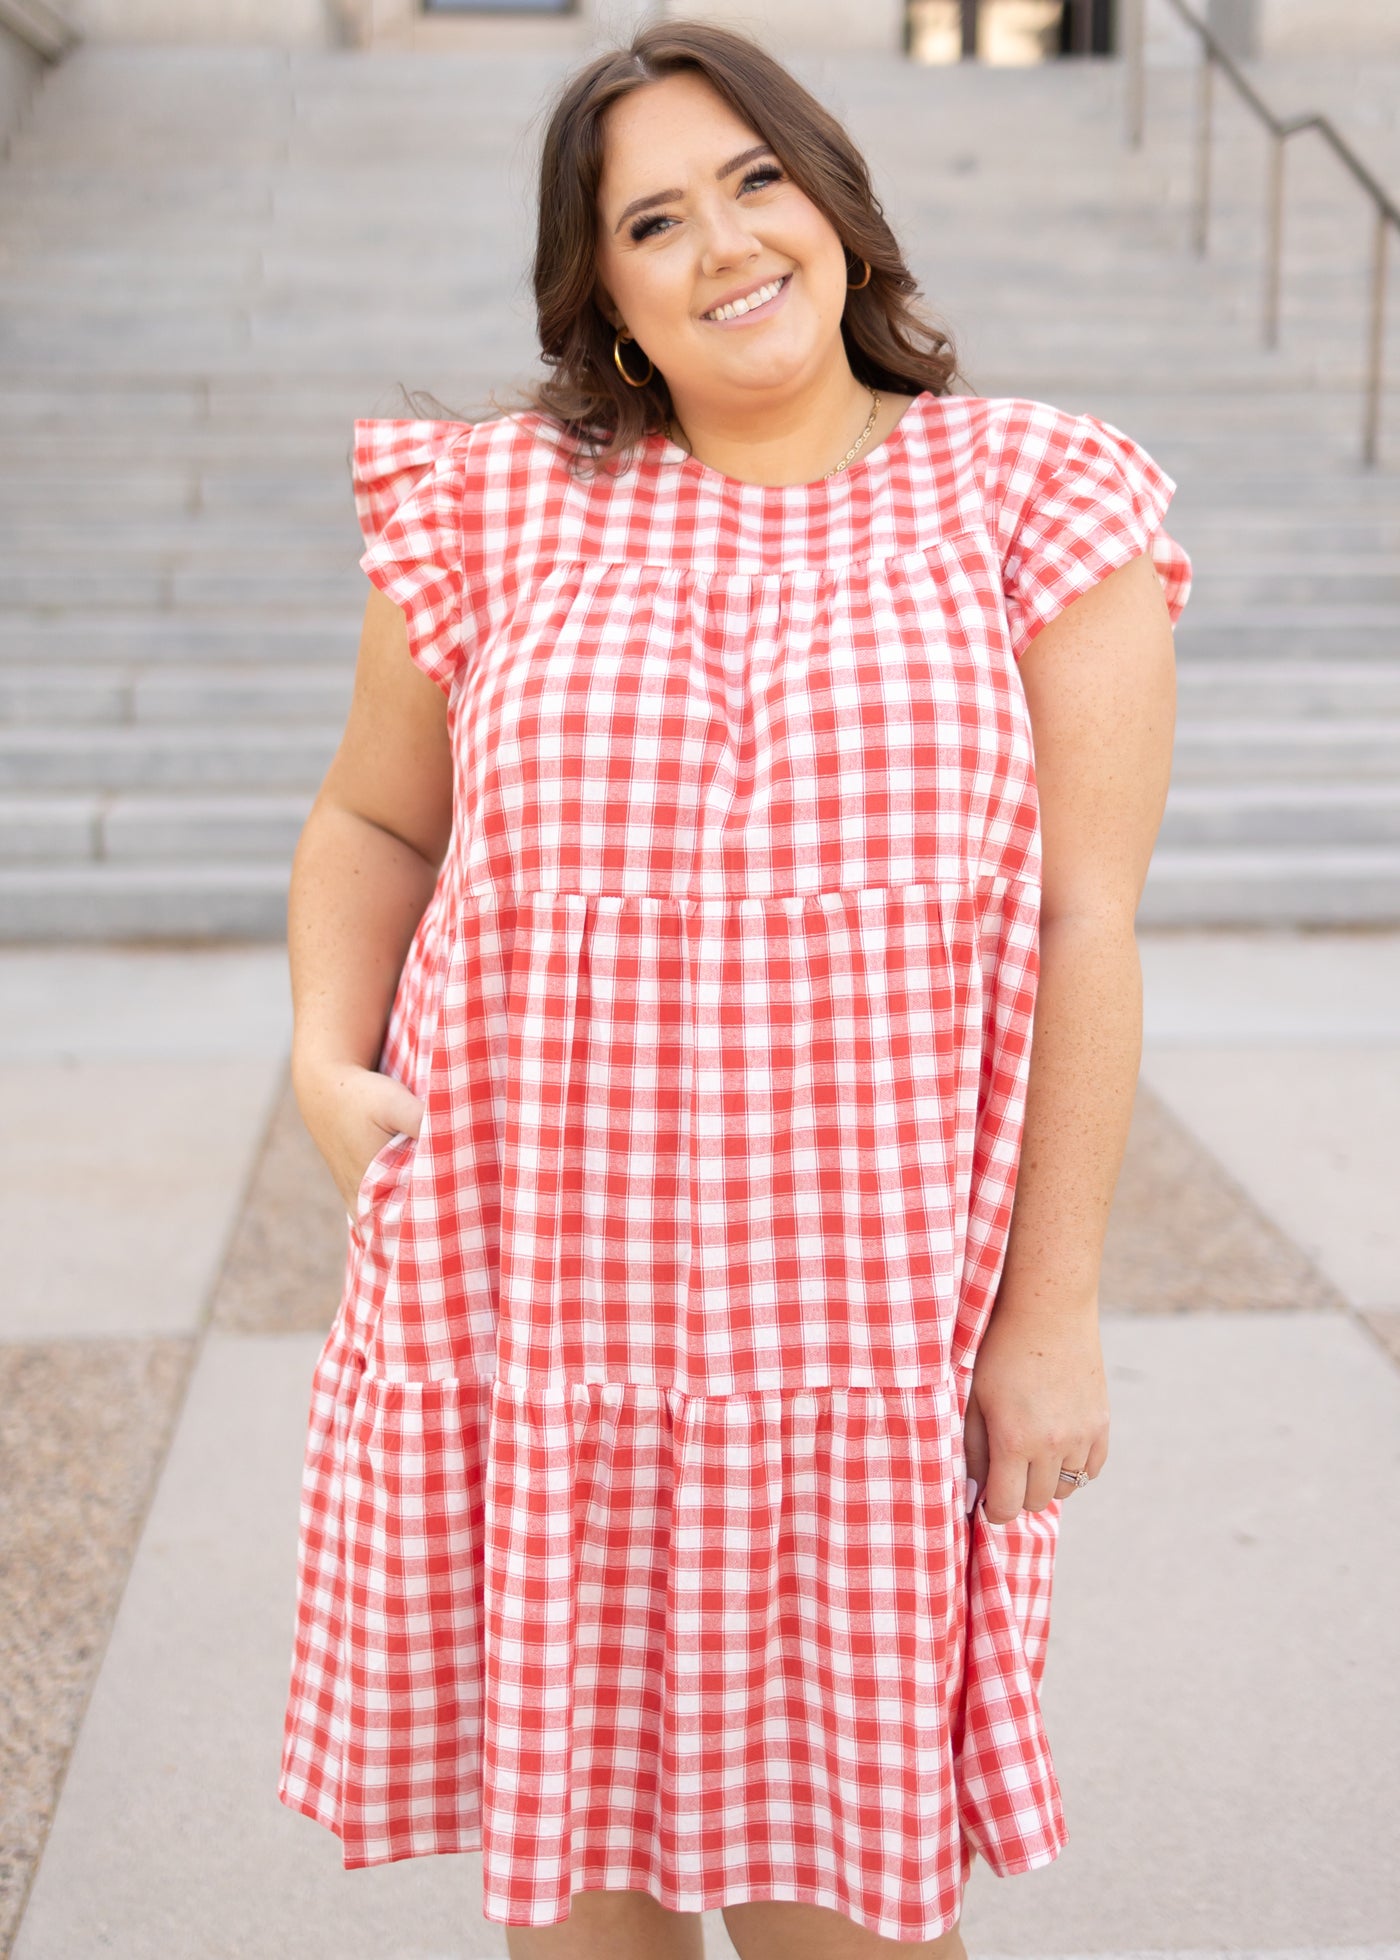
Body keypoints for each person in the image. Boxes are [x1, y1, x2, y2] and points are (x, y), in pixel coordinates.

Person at [277, 19, 1190, 1960]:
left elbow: (1084, 923)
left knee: (841, 1909)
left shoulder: (1033, 497)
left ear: (836, 199)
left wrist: (1053, 1312)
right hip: (534, 1310)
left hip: (859, 1342)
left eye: (756, 181)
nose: (725, 244)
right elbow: (373, 817)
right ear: (602, 292)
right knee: (578, 1895)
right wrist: (318, 1056)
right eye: (656, 219)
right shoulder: (493, 504)